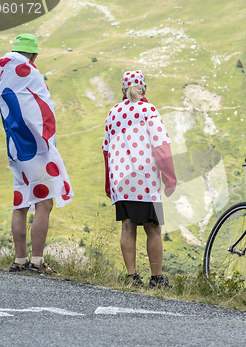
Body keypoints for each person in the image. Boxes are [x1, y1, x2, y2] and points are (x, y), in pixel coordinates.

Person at [0, 34, 74, 274]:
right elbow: (43, 108)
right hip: (34, 147)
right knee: (44, 202)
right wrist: (47, 141)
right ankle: (37, 261)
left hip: (15, 147)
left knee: (20, 202)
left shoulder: (3, 72)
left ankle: (20, 260)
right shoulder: (30, 72)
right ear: (34, 55)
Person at [102, 70, 176, 288]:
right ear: (144, 88)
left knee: (127, 226)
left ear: (123, 90)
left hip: (120, 180)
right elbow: (161, 147)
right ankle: (157, 278)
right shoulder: (149, 110)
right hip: (146, 182)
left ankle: (132, 277)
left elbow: (106, 151)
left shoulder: (113, 113)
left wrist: (109, 185)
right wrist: (169, 178)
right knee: (153, 228)